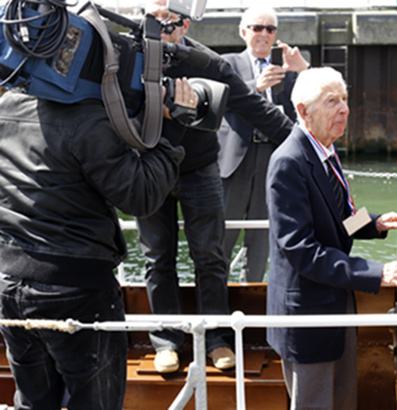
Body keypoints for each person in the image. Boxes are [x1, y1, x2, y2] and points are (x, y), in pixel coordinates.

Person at [0, 75, 194, 408]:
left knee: (33, 402)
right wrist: (171, 128)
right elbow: (141, 197)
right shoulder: (86, 118)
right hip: (77, 289)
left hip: (9, 280)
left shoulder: (6, 107)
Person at [138, 0, 295, 373]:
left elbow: (258, 110)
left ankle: (216, 339)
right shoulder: (127, 60)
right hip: (148, 165)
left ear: (186, 25)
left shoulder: (209, 63)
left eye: (168, 20)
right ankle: (167, 341)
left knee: (210, 256)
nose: (160, 26)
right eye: (153, 18)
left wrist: (312, 149)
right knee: (157, 258)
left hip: (199, 168)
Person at [265, 67, 397, 410]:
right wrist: (378, 272)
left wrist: (375, 223)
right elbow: (301, 249)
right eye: (332, 101)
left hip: (334, 303)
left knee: (341, 400)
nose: (344, 109)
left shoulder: (324, 151)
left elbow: (338, 220)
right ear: (304, 111)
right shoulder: (289, 163)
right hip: (308, 314)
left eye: (345, 99)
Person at [218, 7, 309, 283]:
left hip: (273, 160)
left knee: (260, 241)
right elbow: (217, 97)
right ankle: (214, 303)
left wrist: (303, 70)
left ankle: (251, 302)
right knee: (223, 236)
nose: (264, 34)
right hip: (235, 161)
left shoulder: (288, 71)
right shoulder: (227, 64)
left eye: (270, 29)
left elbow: (319, 99)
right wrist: (253, 86)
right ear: (243, 31)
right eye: (258, 28)